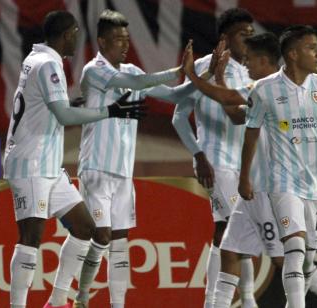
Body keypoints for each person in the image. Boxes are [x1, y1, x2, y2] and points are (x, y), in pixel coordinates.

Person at [184, 32, 317, 308]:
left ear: (265, 60)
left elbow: (231, 101)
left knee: (291, 258)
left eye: (251, 59)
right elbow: (233, 110)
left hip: (285, 190)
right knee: (231, 250)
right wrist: (213, 78)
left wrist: (193, 76)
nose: (247, 65)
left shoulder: (312, 86)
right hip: (264, 188)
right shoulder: (261, 90)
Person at [2, 10, 147, 308]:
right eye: (76, 34)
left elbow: (46, 105)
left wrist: (70, 103)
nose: (78, 40)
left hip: (47, 165)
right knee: (31, 237)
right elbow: (64, 116)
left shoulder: (35, 59)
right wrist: (109, 111)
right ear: (66, 34)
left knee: (85, 229)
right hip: (30, 164)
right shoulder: (48, 65)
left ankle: (56, 302)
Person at [72, 9, 200, 308]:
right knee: (101, 236)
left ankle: (117, 305)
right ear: (102, 42)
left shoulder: (134, 72)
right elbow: (134, 83)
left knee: (119, 243)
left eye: (127, 39)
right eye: (117, 39)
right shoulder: (95, 71)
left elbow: (174, 96)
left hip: (122, 172)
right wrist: (176, 69)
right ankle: (82, 296)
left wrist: (199, 76)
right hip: (96, 167)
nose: (124, 44)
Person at [239, 25, 317, 308]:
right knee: (295, 249)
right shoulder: (264, 90)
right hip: (283, 182)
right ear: (292, 54)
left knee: (308, 260)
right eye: (312, 47)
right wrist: (245, 177)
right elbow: (251, 132)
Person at [171, 8, 256, 308]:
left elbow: (243, 120)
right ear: (225, 38)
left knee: (232, 231)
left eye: (251, 33)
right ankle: (227, 301)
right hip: (215, 161)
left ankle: (238, 300)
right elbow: (179, 117)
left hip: (243, 164)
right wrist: (198, 155)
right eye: (243, 34)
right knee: (234, 228)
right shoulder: (205, 67)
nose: (249, 38)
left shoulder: (251, 72)